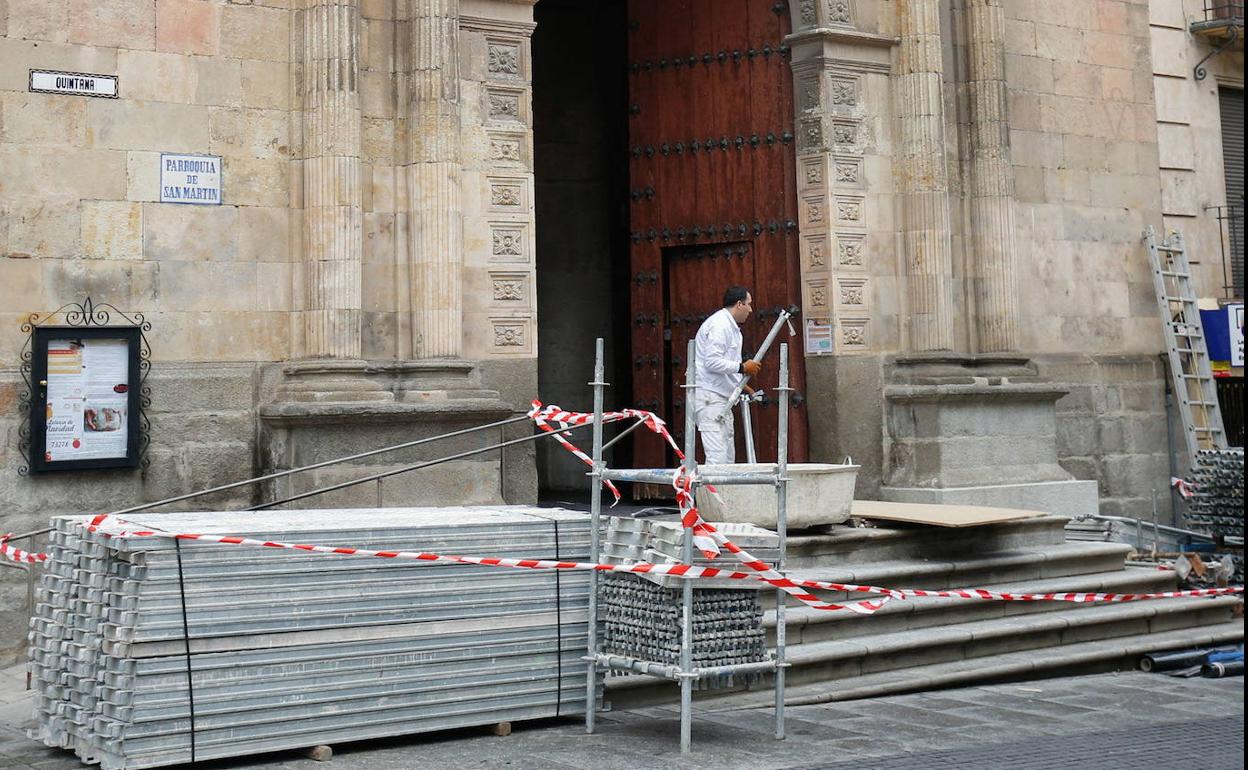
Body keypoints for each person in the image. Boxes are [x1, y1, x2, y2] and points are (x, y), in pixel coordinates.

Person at [692, 286, 762, 465]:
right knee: (717, 458)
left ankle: (722, 494)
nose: (750, 309)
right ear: (739, 304)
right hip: (710, 399)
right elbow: (712, 362)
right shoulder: (720, 325)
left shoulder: (731, 327)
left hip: (722, 400)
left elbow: (724, 368)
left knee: (727, 459)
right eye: (748, 304)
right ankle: (711, 494)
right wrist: (742, 367)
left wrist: (744, 387)